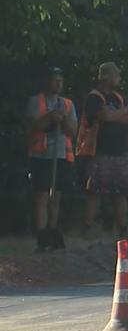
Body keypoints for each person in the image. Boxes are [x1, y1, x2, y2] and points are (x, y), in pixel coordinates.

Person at [25, 67, 77, 252]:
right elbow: (32, 127)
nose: (58, 84)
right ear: (47, 82)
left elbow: (73, 131)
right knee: (42, 196)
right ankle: (41, 235)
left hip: (62, 156)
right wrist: (50, 117)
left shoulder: (68, 104)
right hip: (41, 156)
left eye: (60, 81)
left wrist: (62, 120)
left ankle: (53, 232)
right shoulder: (36, 102)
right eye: (55, 80)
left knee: (56, 197)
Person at [83, 62, 128, 239]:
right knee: (95, 192)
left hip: (122, 152)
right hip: (101, 152)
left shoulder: (118, 97)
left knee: (121, 192)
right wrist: (122, 114)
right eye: (116, 74)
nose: (119, 77)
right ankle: (88, 228)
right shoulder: (94, 97)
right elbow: (104, 116)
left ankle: (123, 230)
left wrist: (115, 115)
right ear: (105, 76)